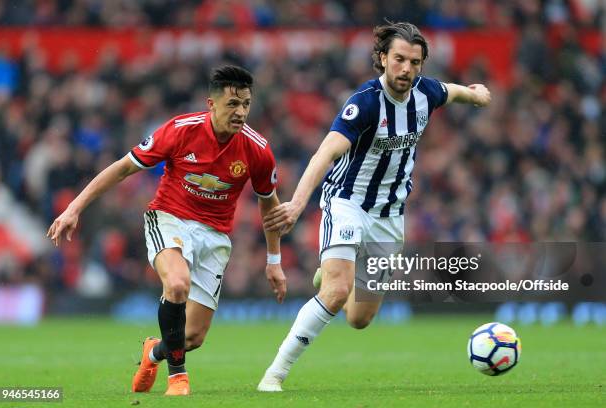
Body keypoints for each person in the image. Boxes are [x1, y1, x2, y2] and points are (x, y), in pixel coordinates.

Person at [257, 21, 491, 392]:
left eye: (414, 62)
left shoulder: (425, 93)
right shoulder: (364, 103)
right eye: (398, 59)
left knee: (359, 318)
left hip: (389, 217)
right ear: (382, 59)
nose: (406, 69)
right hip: (347, 202)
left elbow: (453, 92)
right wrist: (298, 203)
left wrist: (476, 94)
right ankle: (275, 374)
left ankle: (333, 277)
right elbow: (325, 152)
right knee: (335, 293)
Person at [47, 65, 287, 396]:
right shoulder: (180, 130)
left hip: (215, 236)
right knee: (176, 284)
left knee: (192, 338)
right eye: (233, 104)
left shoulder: (257, 149)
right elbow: (122, 169)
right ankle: (178, 378)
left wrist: (274, 259)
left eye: (246, 104)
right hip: (169, 218)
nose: (241, 112)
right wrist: (74, 208)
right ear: (211, 104)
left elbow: (269, 203)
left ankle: (154, 352)